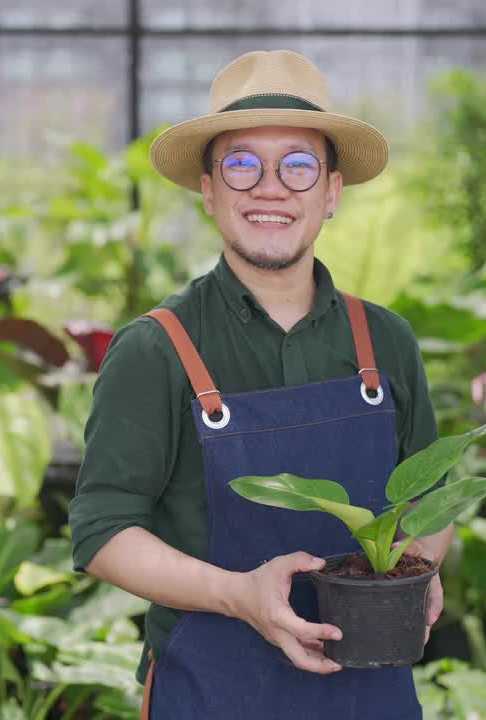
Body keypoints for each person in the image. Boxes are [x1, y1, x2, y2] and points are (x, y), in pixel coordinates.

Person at [68, 50, 450, 719]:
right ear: (209, 190)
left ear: (331, 192)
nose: (270, 187)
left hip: (372, 695)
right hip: (215, 691)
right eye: (242, 164)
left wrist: (419, 565)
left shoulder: (385, 342)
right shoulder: (156, 350)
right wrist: (237, 594)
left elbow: (433, 496)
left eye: (298, 165)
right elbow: (102, 532)